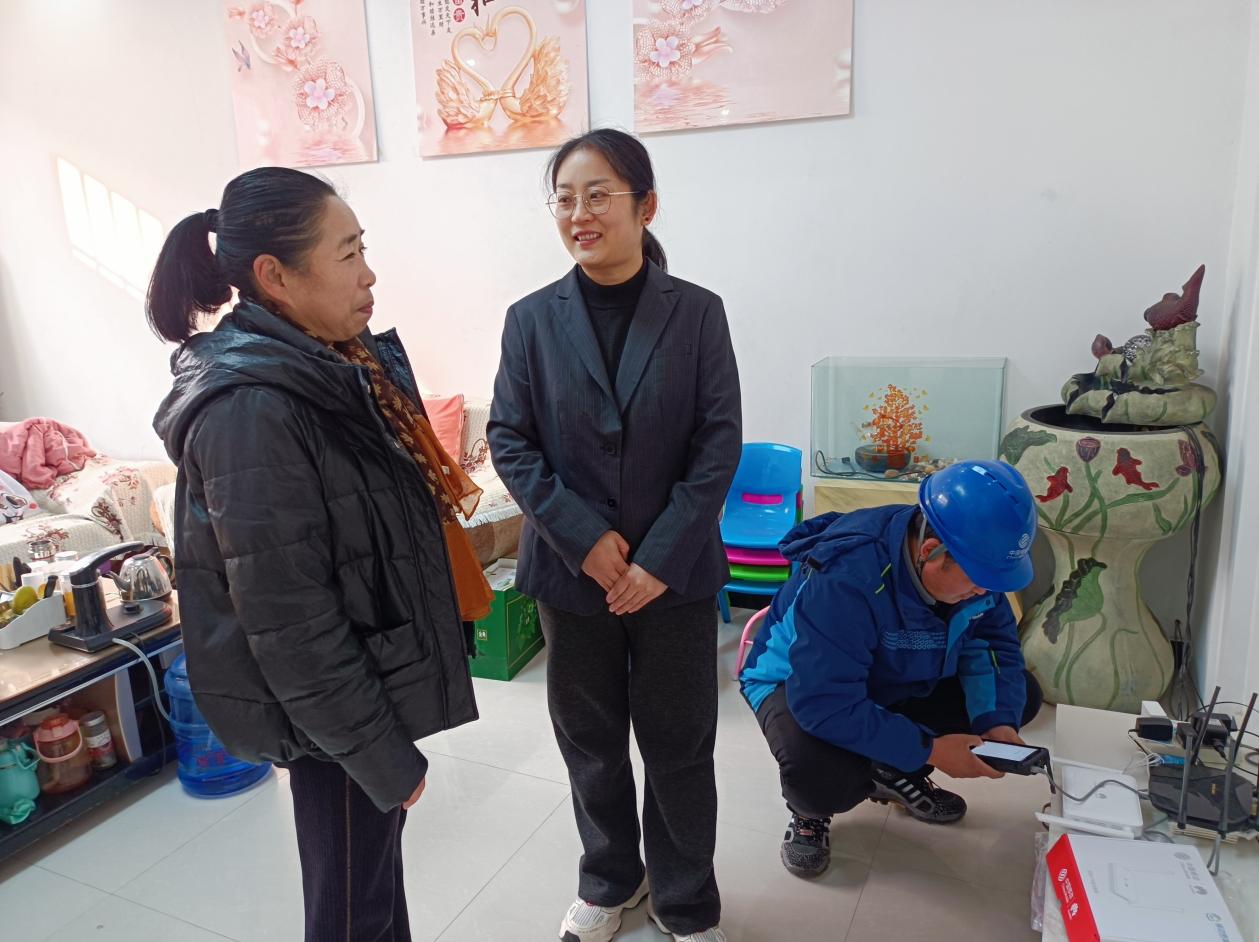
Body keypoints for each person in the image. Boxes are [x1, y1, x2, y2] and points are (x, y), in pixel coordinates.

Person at [149, 166, 491, 941]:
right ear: (276, 276)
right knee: (349, 913)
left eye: (362, 249)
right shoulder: (252, 409)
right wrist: (377, 751)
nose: (369, 275)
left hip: (358, 689)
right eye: (346, 254)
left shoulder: (329, 365)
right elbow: (290, 622)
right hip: (333, 714)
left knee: (369, 897)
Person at [488, 129, 742, 942]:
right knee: (590, 742)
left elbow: (717, 444)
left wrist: (657, 558)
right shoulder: (530, 320)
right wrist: (584, 540)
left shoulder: (696, 313)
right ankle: (609, 880)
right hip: (572, 578)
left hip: (675, 577)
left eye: (598, 195)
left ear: (646, 206)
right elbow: (509, 440)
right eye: (564, 198)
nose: (579, 214)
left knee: (678, 745)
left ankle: (685, 899)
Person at [739, 460, 1044, 878]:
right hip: (797, 684)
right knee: (823, 778)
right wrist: (933, 750)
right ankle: (809, 814)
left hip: (890, 675)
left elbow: (992, 645)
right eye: (978, 580)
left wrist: (997, 723)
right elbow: (823, 702)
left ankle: (891, 769)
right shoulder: (848, 576)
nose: (985, 591)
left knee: (1020, 695)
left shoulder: (974, 567)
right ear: (929, 553)